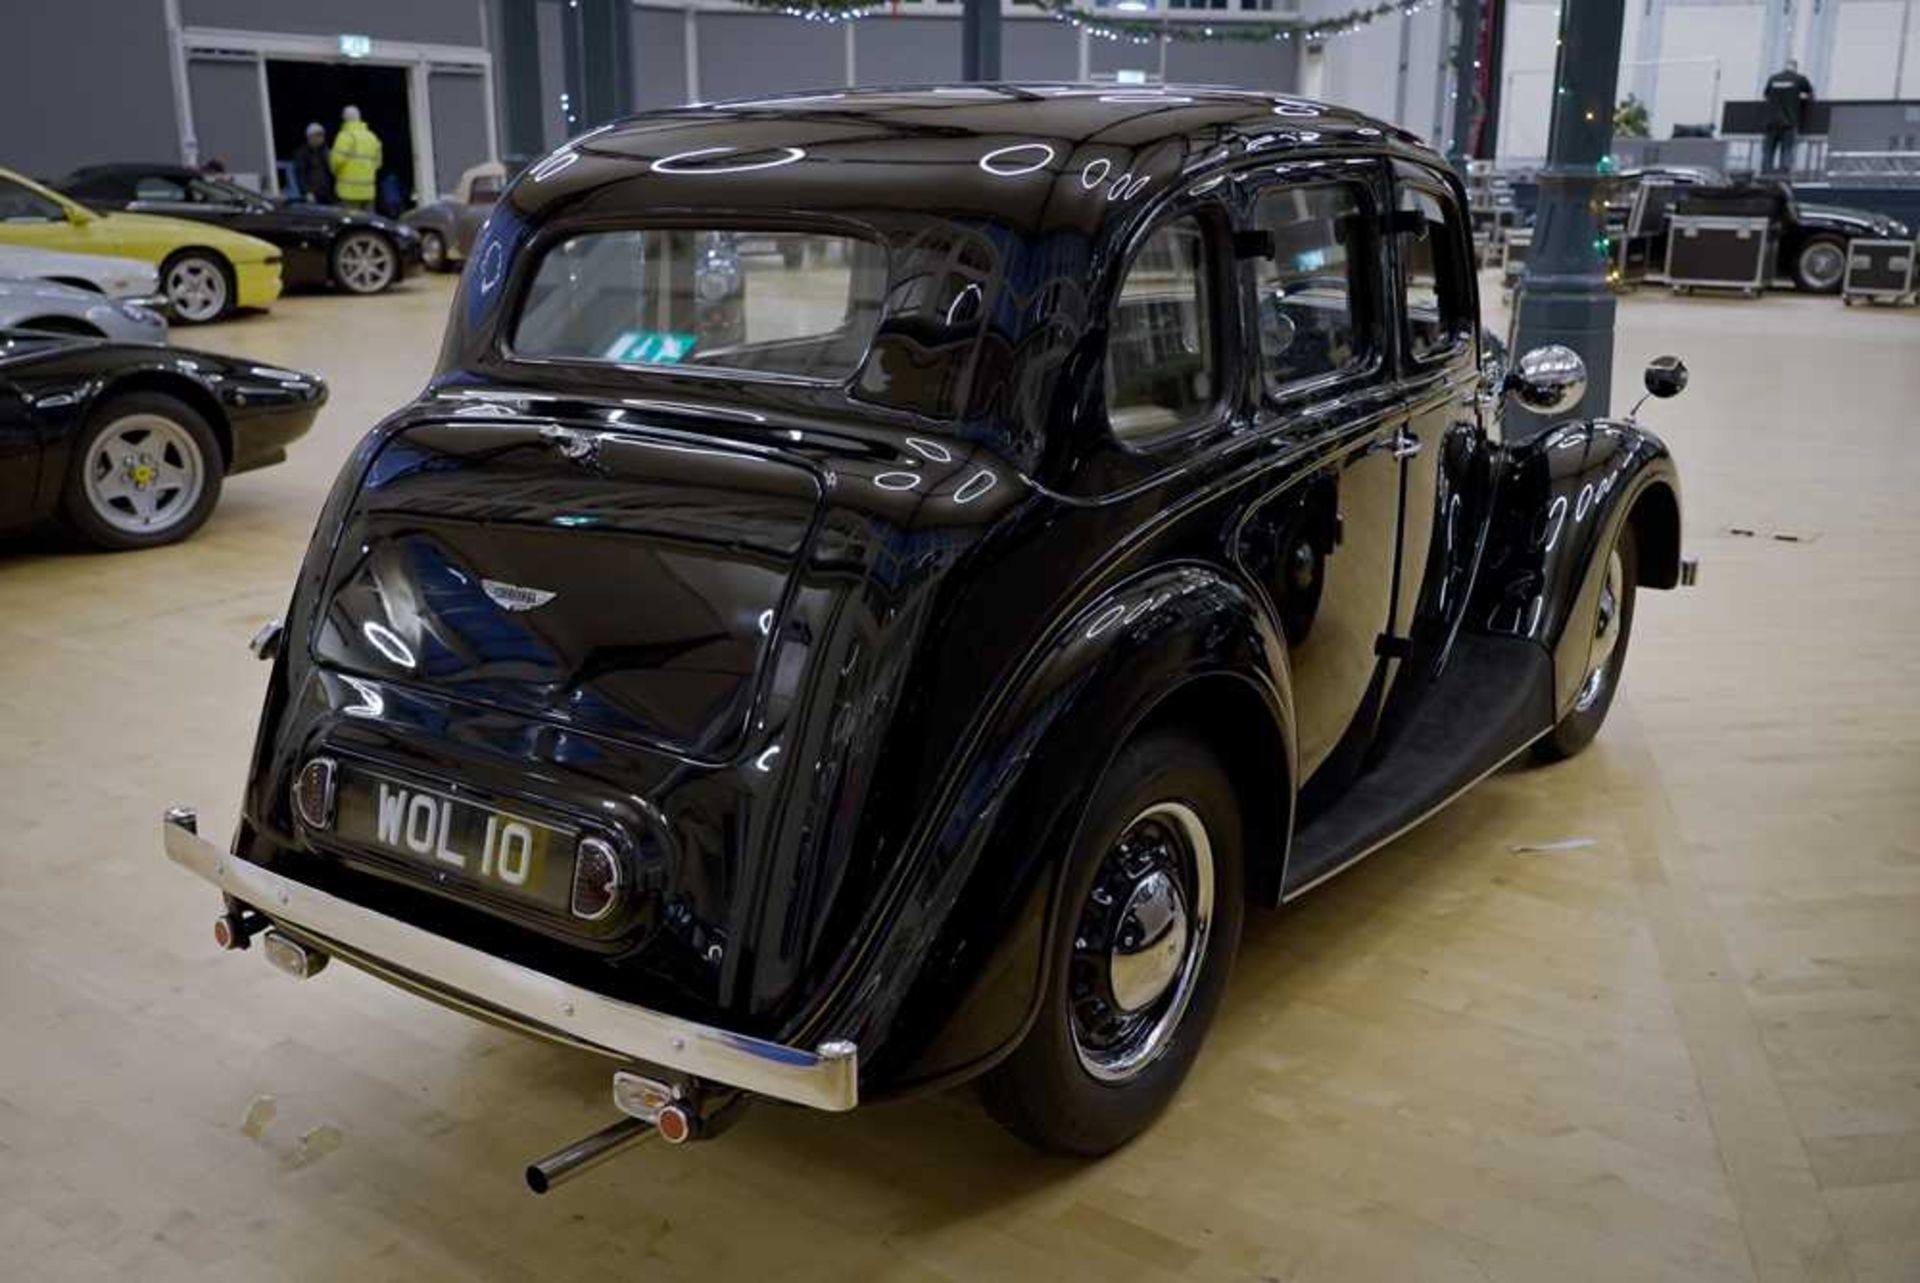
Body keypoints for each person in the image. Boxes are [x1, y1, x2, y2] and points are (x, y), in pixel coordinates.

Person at [1762, 59, 1813, 176]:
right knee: (1786, 150)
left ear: (1785, 67)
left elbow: (1766, 95)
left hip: (1771, 122)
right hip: (1789, 122)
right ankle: (1783, 176)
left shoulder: (1773, 78)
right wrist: (1799, 97)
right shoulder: (1800, 79)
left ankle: (1765, 176)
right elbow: (1810, 95)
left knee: (1768, 151)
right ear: (1795, 67)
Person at [329, 105, 383, 210]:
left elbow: (335, 162)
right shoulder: (372, 137)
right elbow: (378, 163)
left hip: (348, 194)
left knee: (351, 225)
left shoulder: (345, 136)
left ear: (344, 119)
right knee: (368, 224)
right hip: (368, 193)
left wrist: (337, 174)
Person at [291, 122, 335, 204]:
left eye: (322, 135)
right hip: (312, 195)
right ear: (309, 137)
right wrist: (307, 192)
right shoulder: (302, 153)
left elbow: (330, 171)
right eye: (317, 135)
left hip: (326, 193)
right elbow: (300, 174)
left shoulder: (326, 151)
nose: (321, 138)